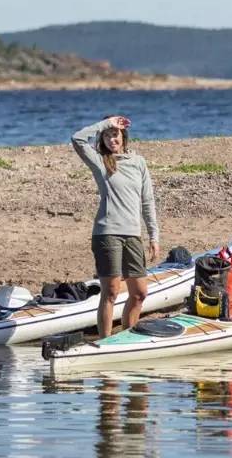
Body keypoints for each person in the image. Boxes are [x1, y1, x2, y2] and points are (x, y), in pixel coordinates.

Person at [71, 115, 160, 337]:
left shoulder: (138, 162)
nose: (112, 139)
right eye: (108, 135)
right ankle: (105, 341)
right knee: (110, 292)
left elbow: (147, 201)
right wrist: (106, 123)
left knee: (139, 293)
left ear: (123, 137)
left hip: (132, 235)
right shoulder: (100, 161)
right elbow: (77, 139)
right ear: (103, 139)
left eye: (115, 134)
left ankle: (127, 338)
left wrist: (153, 236)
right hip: (107, 233)